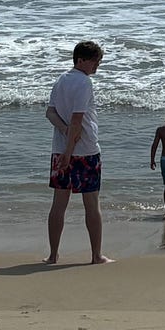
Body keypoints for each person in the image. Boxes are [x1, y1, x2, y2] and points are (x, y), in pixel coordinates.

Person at [43, 41, 112, 265]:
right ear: (80, 60)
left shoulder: (61, 80)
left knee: (58, 205)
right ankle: (96, 256)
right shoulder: (84, 83)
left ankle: (53, 255)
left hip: (60, 149)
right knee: (91, 203)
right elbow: (77, 120)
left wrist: (64, 139)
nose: (97, 67)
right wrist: (69, 151)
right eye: (95, 62)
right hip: (84, 151)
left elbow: (51, 113)